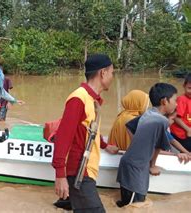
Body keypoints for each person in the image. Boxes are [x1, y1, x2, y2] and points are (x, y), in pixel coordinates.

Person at [52, 54, 119, 212]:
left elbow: (88, 130)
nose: (112, 77)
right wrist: (60, 175)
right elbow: (63, 137)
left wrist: (104, 145)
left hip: (87, 169)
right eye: (112, 73)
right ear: (103, 73)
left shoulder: (92, 99)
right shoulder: (78, 99)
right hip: (80, 172)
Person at [116, 83, 190, 207]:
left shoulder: (149, 113)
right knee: (135, 206)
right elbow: (158, 146)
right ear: (164, 101)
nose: (177, 104)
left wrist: (138, 144)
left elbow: (129, 126)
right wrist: (153, 165)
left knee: (126, 204)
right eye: (174, 100)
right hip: (136, 170)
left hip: (129, 164)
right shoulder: (162, 121)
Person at [170, 74, 191, 151]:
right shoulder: (182, 100)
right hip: (180, 133)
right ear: (184, 86)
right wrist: (188, 129)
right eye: (189, 88)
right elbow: (176, 118)